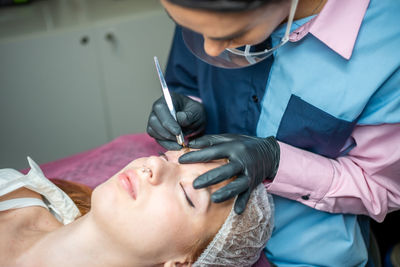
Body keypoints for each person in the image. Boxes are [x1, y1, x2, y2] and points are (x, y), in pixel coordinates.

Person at [147, 0, 400, 265]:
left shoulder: (389, 46)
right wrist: (189, 105)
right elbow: (187, 78)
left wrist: (278, 162)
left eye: (231, 34)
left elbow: (382, 186)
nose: (210, 48)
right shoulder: (206, 8)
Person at [0, 150, 273, 267]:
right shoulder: (13, 190)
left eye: (187, 194)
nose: (153, 165)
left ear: (181, 263)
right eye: (169, 158)